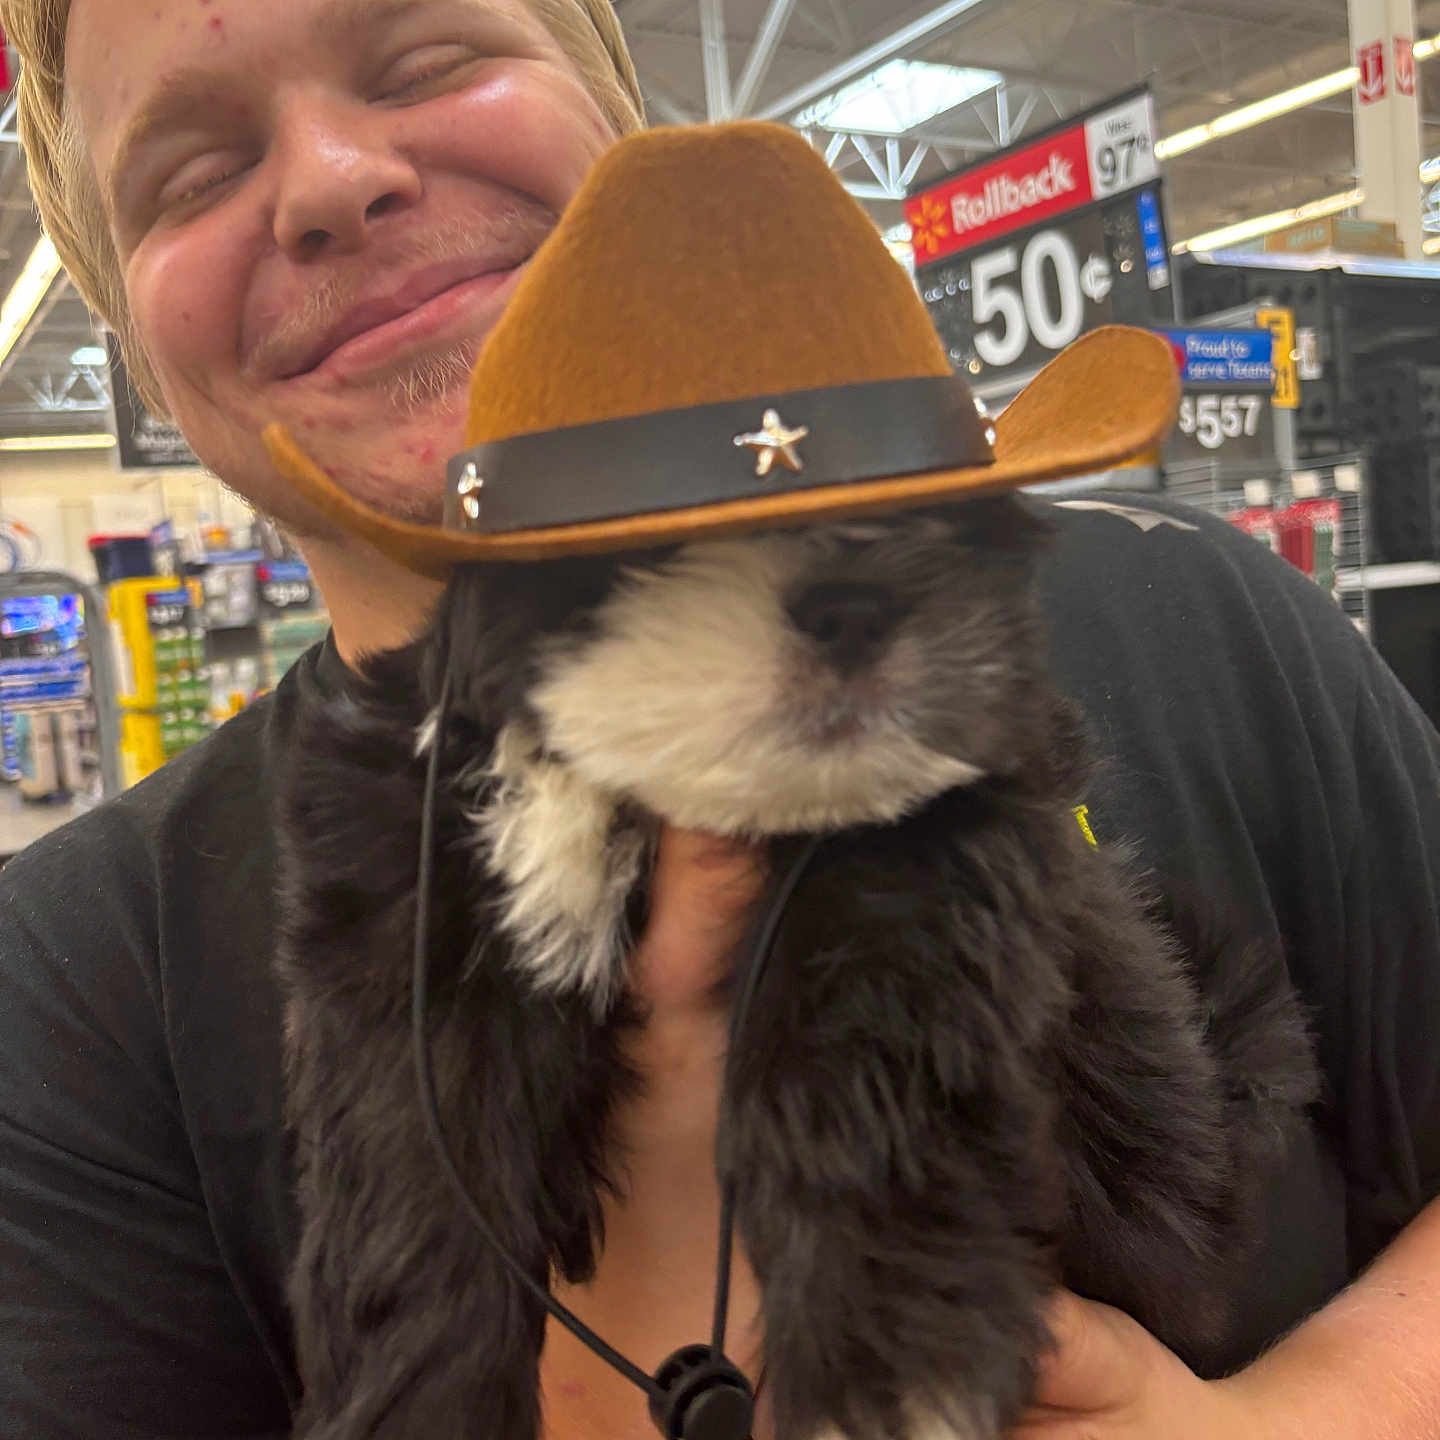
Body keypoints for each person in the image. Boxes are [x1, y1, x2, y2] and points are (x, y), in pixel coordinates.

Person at [0, 1, 1437, 1437]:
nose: (327, 177)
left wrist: (1313, 1412)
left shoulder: (1207, 629)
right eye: (189, 171)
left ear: (615, 109)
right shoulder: (78, 985)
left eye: (427, 59)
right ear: (123, 318)